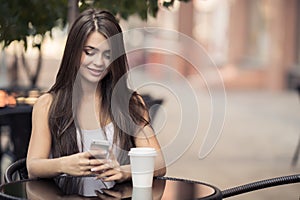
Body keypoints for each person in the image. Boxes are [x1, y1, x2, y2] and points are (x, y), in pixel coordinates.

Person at [26, 8, 166, 183]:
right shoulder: (47, 104)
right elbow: (33, 166)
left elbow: (159, 163)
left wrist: (124, 171)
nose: (99, 62)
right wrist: (63, 165)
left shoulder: (129, 103)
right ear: (73, 51)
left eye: (107, 54)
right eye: (89, 51)